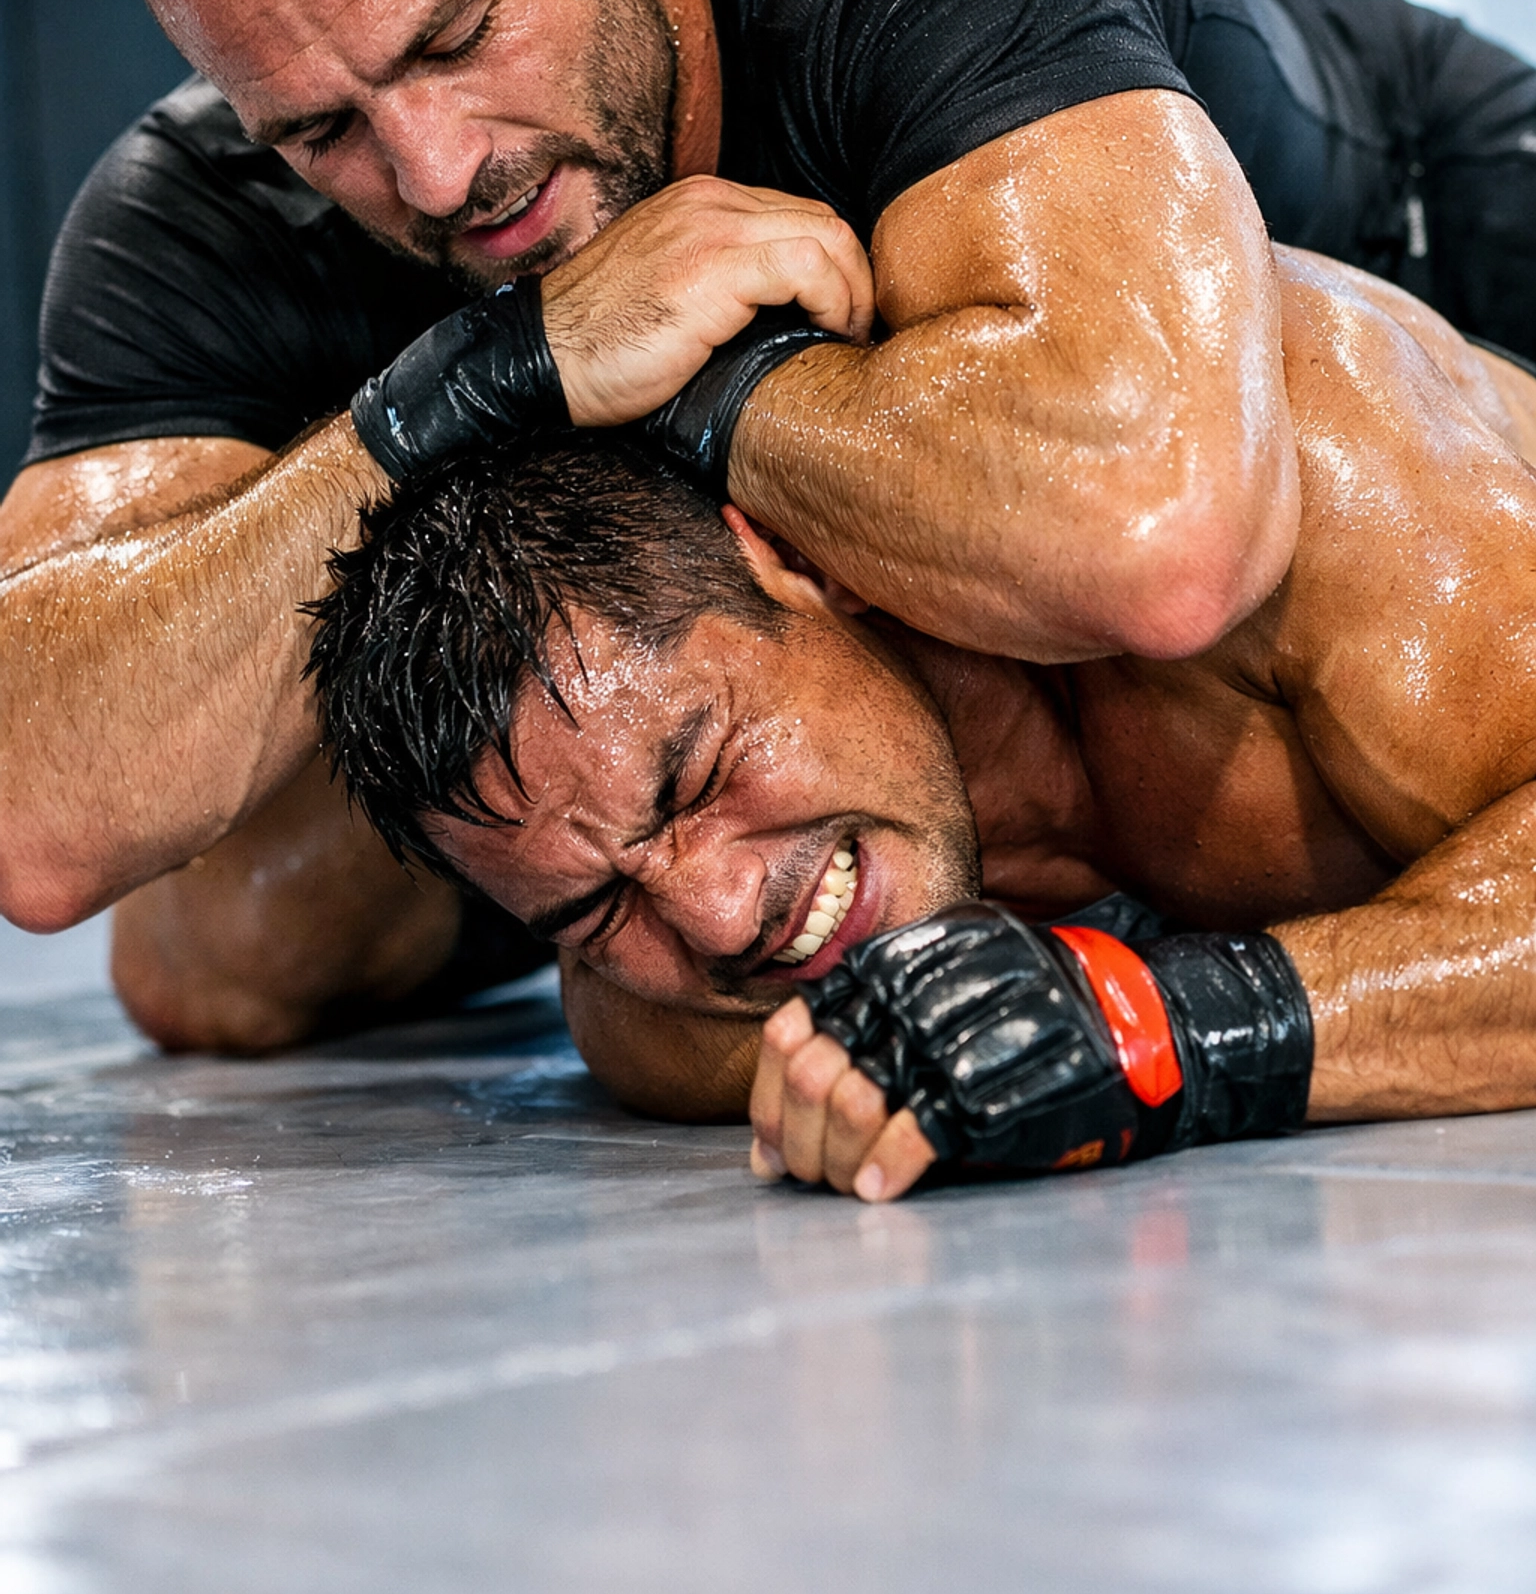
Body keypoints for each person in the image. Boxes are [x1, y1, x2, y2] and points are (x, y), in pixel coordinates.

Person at [0, 0, 1532, 1053]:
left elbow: (1155, 538)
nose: (435, 172)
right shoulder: (201, 214)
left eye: (460, 35)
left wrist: (708, 383)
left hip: (1446, 240)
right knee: (229, 949)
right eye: (324, 128)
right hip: (910, 646)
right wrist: (478, 384)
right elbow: (35, 817)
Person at [307, 249, 1536, 1198]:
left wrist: (1169, 1025)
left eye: (695, 778)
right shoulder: (656, 1010)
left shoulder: (1299, 478)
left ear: (793, 554)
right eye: (590, 913)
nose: (724, 921)